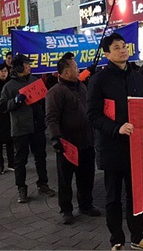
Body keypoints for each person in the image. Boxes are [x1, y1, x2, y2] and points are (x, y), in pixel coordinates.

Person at [87, 33, 143, 251]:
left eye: (124, 46)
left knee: (136, 196)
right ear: (107, 54)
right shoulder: (100, 79)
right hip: (112, 149)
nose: (123, 50)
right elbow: (93, 115)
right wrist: (117, 128)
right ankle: (116, 239)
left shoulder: (138, 77)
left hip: (136, 148)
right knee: (112, 197)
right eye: (116, 48)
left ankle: (138, 237)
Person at [46, 54, 101, 225]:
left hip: (86, 140)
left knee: (87, 176)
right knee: (65, 179)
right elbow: (51, 117)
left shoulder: (82, 87)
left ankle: (86, 204)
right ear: (66, 71)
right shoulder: (56, 92)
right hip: (67, 144)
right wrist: (56, 138)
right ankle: (66, 209)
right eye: (75, 67)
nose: (78, 69)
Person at [0, 54, 56, 203]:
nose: (29, 66)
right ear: (18, 67)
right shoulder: (9, 86)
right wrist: (15, 101)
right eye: (26, 64)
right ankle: (21, 188)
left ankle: (43, 184)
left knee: (40, 157)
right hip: (20, 127)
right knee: (20, 160)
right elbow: (3, 106)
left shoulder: (35, 81)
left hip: (37, 126)